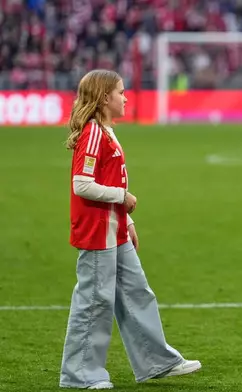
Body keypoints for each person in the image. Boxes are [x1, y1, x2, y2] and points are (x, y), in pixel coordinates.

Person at [60, 69, 201, 389]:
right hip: (97, 230)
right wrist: (122, 197)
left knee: (137, 293)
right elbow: (82, 184)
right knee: (94, 301)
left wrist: (128, 219)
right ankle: (79, 374)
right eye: (121, 92)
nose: (126, 98)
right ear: (104, 98)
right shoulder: (94, 133)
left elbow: (107, 179)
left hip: (114, 227)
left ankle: (157, 361)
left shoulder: (105, 130)